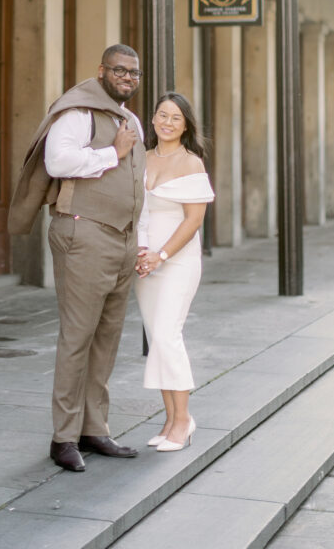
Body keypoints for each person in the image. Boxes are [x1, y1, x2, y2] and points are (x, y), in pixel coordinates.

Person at [8, 44, 146, 473]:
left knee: (107, 338)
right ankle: (63, 438)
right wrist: (114, 153)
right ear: (101, 71)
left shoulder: (131, 119)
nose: (128, 78)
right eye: (120, 70)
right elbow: (58, 160)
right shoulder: (78, 112)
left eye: (135, 73)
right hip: (84, 233)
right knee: (77, 337)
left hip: (122, 240)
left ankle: (94, 428)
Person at [135, 92, 215, 452]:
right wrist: (140, 251)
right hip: (145, 260)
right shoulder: (142, 158)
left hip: (177, 260)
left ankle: (184, 420)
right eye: (162, 115)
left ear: (185, 126)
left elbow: (194, 220)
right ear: (152, 119)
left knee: (168, 336)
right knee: (157, 338)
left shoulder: (191, 163)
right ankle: (168, 420)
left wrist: (162, 255)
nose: (167, 122)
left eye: (175, 118)